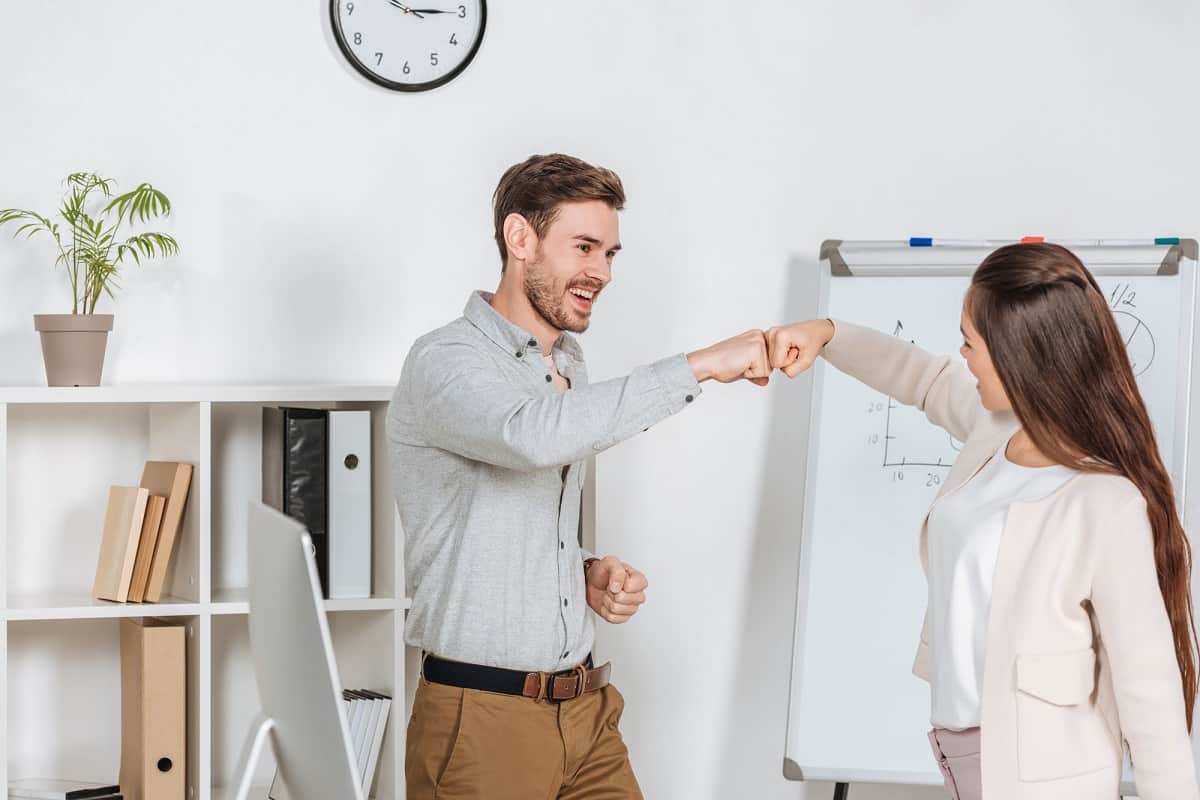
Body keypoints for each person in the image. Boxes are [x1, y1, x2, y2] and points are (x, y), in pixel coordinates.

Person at [387, 153, 770, 799]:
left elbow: (510, 508)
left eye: (611, 253)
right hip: (484, 719)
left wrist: (580, 571)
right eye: (585, 246)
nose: (602, 271)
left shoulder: (566, 363)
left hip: (587, 712)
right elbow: (530, 436)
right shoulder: (446, 360)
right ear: (521, 239)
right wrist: (701, 365)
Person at [766, 242, 1200, 800]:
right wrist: (828, 334)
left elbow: (1151, 698)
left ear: (1021, 357)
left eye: (971, 342)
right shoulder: (999, 429)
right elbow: (919, 376)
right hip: (966, 757)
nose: (962, 356)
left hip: (1046, 779)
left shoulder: (1105, 501)